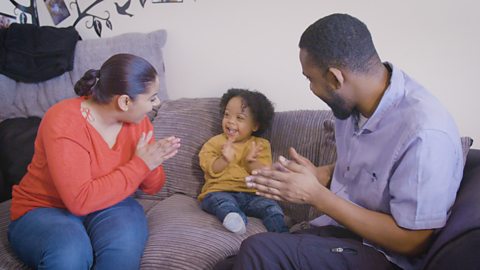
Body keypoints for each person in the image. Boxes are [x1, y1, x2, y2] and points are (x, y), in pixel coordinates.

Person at [216, 13, 464, 270]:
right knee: (228, 265)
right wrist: (319, 174)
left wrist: (315, 195)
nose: (311, 88)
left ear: (336, 78)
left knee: (258, 250)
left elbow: (413, 241)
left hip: (386, 256)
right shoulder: (352, 107)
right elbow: (365, 167)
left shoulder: (425, 133)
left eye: (310, 79)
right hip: (343, 235)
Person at [8, 53, 181, 270]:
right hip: (45, 208)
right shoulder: (64, 120)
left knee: (123, 252)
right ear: (125, 101)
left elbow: (153, 187)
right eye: (152, 97)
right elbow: (79, 201)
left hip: (111, 204)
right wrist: (141, 164)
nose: (157, 104)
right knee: (70, 253)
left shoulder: (138, 123)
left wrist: (153, 160)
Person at [198, 88, 288, 234]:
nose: (230, 121)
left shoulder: (260, 145)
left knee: (271, 207)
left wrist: (250, 161)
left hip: (253, 195)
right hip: (221, 191)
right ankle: (234, 219)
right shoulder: (214, 143)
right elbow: (210, 168)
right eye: (227, 115)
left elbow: (264, 174)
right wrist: (224, 159)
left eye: (239, 118)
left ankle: (282, 235)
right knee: (220, 203)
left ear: (255, 126)